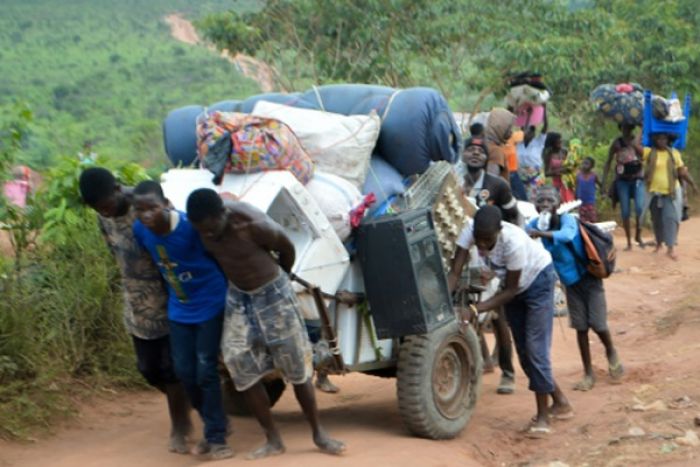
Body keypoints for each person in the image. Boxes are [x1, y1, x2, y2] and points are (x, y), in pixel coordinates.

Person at [186, 188, 345, 459]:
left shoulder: (252, 224)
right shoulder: (202, 227)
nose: (208, 235)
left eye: (212, 229)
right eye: (202, 231)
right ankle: (273, 439)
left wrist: (280, 279)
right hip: (238, 295)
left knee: (296, 365)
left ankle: (319, 433)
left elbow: (286, 248)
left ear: (223, 214)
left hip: (273, 291)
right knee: (239, 364)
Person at [78, 168, 192, 454]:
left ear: (118, 189)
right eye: (97, 208)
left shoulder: (145, 205)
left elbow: (174, 240)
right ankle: (193, 399)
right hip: (136, 301)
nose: (104, 211)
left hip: (167, 297)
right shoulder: (103, 216)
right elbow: (113, 252)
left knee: (170, 368)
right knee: (148, 368)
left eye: (106, 205)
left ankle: (180, 427)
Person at [448, 205, 573, 437]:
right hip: (513, 287)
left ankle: (543, 418)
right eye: (479, 239)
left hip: (537, 282)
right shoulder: (470, 231)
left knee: (536, 351)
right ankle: (560, 402)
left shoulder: (513, 242)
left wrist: (475, 309)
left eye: (487, 240)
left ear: (499, 231)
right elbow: (455, 271)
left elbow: (512, 291)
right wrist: (445, 303)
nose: (482, 245)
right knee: (525, 353)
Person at [131, 181, 233, 460]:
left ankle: (217, 437)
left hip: (211, 303)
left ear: (166, 204)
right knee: (184, 372)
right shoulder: (140, 230)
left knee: (205, 370)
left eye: (152, 207)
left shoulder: (191, 228)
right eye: (140, 210)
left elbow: (220, 256)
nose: (147, 215)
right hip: (179, 308)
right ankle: (217, 421)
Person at [527, 186, 623, 391]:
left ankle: (610, 351)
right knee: (580, 328)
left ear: (558, 205)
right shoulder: (535, 224)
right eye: (541, 201)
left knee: (598, 324)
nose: (545, 205)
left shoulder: (567, 220)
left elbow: (567, 236)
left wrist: (539, 233)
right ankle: (588, 373)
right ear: (535, 206)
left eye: (550, 201)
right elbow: (525, 234)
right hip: (570, 284)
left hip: (589, 277)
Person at [643, 133, 698, 260]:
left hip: (671, 192)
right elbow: (635, 146)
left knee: (671, 219)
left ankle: (670, 248)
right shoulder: (649, 152)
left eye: (664, 138)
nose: (661, 140)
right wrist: (643, 129)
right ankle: (658, 244)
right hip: (654, 192)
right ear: (655, 140)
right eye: (658, 138)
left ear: (668, 140)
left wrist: (693, 185)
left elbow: (682, 171)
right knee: (656, 220)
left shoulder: (674, 153)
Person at [602, 124, 646, 251]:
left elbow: (645, 155)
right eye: (624, 127)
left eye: (629, 127)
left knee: (639, 208)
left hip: (637, 177)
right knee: (625, 211)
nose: (627, 129)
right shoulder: (617, 143)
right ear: (621, 128)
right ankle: (629, 242)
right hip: (622, 180)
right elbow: (608, 162)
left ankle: (638, 235)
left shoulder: (638, 141)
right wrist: (604, 183)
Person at [459, 137, 519, 224]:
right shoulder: (453, 182)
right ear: (462, 155)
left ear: (486, 159)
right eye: (470, 149)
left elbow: (515, 215)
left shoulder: (498, 185)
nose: (476, 153)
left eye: (481, 151)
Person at [516, 110, 548, 201]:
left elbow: (545, 126)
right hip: (521, 178)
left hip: (535, 178)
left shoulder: (539, 142)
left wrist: (544, 108)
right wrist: (528, 117)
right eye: (524, 130)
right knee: (522, 201)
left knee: (535, 201)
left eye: (529, 131)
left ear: (533, 133)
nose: (526, 133)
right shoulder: (518, 144)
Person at [485, 108, 517, 182]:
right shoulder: (495, 151)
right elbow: (491, 182)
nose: (511, 132)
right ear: (501, 127)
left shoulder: (480, 143)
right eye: (509, 128)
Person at [543, 133, 575, 203]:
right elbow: (546, 173)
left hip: (568, 183)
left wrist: (569, 169)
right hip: (557, 185)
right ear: (552, 142)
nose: (561, 142)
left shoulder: (565, 152)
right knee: (559, 205)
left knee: (570, 204)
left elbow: (572, 166)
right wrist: (559, 171)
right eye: (558, 141)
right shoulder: (548, 154)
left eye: (561, 141)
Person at [575, 157, 601, 223]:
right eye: (583, 163)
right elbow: (576, 188)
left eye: (587, 163)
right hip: (581, 203)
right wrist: (575, 199)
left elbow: (601, 184)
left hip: (591, 203)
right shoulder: (578, 175)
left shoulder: (594, 175)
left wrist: (603, 192)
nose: (584, 165)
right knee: (582, 221)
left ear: (592, 166)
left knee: (592, 220)